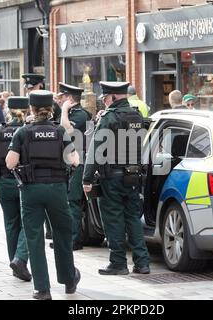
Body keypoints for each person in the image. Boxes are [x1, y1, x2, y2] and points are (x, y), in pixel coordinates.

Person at [5, 90, 81, 300]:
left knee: (34, 238)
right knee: (62, 235)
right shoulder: (59, 131)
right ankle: (68, 280)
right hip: (57, 189)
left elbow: (10, 163)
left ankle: (42, 289)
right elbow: (74, 160)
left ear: (31, 108)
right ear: (50, 109)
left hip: (30, 191)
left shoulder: (23, 132)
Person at [82, 81, 150, 276]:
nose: (104, 102)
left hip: (112, 178)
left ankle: (118, 263)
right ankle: (142, 263)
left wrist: (86, 179)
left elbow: (96, 150)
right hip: (133, 176)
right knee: (133, 219)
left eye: (105, 98)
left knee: (113, 219)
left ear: (112, 97)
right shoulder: (137, 115)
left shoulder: (109, 118)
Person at [0, 96, 31, 282]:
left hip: (4, 182)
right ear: (27, 111)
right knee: (29, 222)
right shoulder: (27, 130)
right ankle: (20, 259)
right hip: (25, 183)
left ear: (8, 111)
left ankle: (15, 263)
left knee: (11, 224)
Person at [59, 82, 92, 251]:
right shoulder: (71, 112)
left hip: (79, 163)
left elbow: (68, 130)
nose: (60, 99)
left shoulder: (79, 115)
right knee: (68, 201)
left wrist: (64, 110)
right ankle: (68, 237)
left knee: (73, 201)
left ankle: (75, 239)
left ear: (70, 99)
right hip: (70, 161)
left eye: (63, 97)